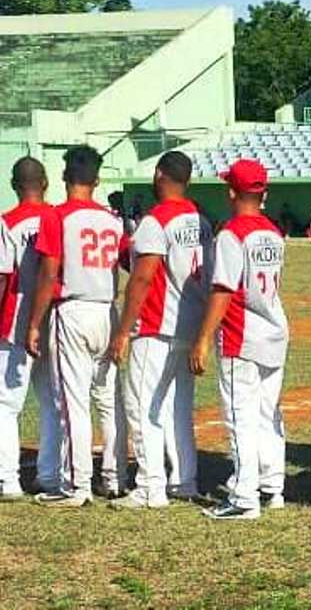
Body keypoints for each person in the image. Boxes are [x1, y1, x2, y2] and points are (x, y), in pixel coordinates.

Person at [107, 151, 212, 509]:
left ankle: (150, 485)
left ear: (158, 174)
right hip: (191, 320)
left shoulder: (155, 220)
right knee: (178, 407)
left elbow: (142, 277)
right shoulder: (201, 219)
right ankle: (184, 479)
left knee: (143, 406)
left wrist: (122, 331)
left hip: (156, 324)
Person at [27, 145, 128, 507]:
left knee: (73, 403)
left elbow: (49, 271)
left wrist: (35, 323)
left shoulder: (56, 216)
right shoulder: (112, 219)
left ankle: (77, 485)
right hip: (106, 310)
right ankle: (116, 477)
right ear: (96, 180)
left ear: (66, 178)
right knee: (108, 401)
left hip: (72, 311)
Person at [189, 159, 289, 520]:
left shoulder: (232, 234)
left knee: (240, 417)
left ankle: (244, 496)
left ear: (232, 191)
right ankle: (272, 487)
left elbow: (222, 290)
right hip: (273, 330)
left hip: (241, 335)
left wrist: (201, 339)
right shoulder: (274, 232)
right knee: (268, 414)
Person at [0, 157, 59, 499]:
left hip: (18, 313)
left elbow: (3, 276)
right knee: (50, 399)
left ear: (13, 184)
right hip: (55, 311)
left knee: (7, 404)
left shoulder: (7, 223)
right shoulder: (58, 217)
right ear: (46, 182)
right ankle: (49, 475)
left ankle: (8, 480)